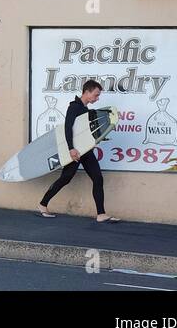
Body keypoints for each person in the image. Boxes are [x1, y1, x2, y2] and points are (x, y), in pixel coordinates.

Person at [38, 79, 120, 223]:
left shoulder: (85, 110)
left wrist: (92, 143)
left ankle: (101, 214)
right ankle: (43, 204)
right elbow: (67, 128)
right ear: (87, 92)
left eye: (98, 95)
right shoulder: (74, 107)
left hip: (85, 151)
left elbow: (82, 132)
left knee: (97, 178)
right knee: (66, 178)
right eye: (96, 95)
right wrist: (71, 148)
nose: (97, 98)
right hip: (75, 151)